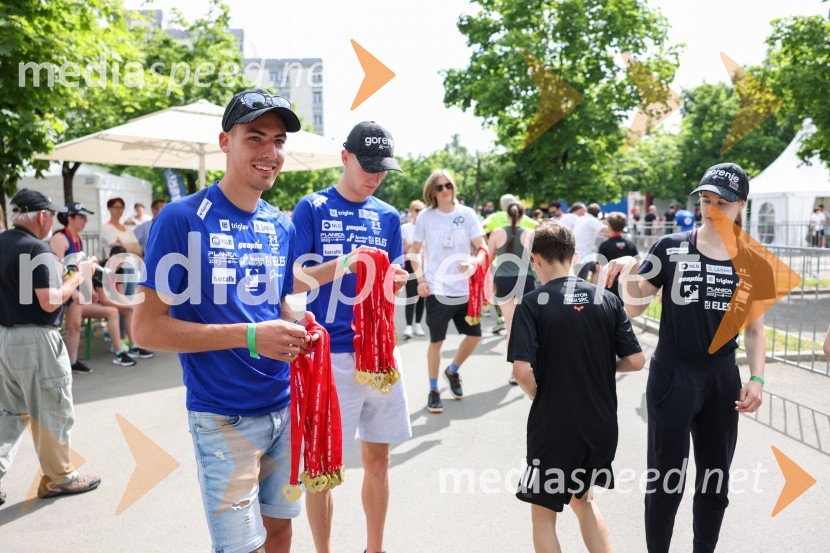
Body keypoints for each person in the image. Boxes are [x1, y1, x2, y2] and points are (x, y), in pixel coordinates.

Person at [132, 89, 317, 553]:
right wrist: (251, 336)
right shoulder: (181, 219)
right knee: (242, 547)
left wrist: (296, 328)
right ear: (224, 142)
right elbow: (146, 328)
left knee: (281, 531)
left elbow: (274, 305)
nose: (269, 153)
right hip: (224, 419)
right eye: (255, 137)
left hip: (285, 408)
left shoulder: (281, 224)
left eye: (277, 141)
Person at [604, 162, 774, 553]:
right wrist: (630, 268)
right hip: (672, 376)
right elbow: (633, 306)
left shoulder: (754, 261)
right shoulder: (671, 246)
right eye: (704, 200)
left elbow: (754, 330)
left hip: (721, 381)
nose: (710, 208)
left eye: (720, 203)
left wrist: (758, 379)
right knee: (666, 482)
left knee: (715, 482)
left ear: (740, 206)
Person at [291, 121, 410, 553]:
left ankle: (373, 548)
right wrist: (349, 261)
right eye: (368, 166)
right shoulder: (312, 207)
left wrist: (395, 280)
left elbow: (391, 278)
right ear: (345, 157)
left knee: (379, 459)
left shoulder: (388, 215)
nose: (375, 176)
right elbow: (296, 280)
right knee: (323, 465)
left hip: (378, 355)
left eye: (383, 169)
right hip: (332, 355)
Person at [508, 220, 644, 553]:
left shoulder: (532, 303)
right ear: (575, 256)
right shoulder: (607, 300)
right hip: (599, 424)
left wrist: (544, 397)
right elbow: (636, 360)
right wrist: (596, 368)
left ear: (536, 259)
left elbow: (522, 371)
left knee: (543, 514)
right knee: (582, 502)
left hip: (555, 425)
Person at [0, 189, 102, 507]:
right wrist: (78, 276)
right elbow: (50, 300)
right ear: (42, 215)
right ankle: (61, 477)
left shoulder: (3, 242)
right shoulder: (36, 248)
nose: (53, 221)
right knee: (53, 409)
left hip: (5, 337)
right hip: (36, 340)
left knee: (10, 413)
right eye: (52, 215)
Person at [410, 169, 487, 414]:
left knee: (475, 336)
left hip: (465, 289)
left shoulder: (467, 214)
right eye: (439, 187)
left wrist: (474, 263)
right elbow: (414, 252)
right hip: (437, 288)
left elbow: (483, 247)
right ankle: (433, 390)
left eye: (448, 186)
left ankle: (451, 371)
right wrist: (421, 280)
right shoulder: (425, 217)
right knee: (437, 341)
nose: (445, 190)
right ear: (432, 191)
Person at [49, 202, 136, 371]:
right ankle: (70, 363)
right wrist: (74, 292)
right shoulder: (59, 238)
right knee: (73, 326)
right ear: (70, 218)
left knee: (79, 325)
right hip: (67, 293)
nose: (85, 221)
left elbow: (84, 266)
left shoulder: (78, 238)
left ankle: (73, 362)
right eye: (82, 217)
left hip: (80, 293)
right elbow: (56, 269)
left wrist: (89, 288)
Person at [488, 201, 535, 385]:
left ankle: (515, 372)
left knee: (510, 327)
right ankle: (529, 366)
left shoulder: (497, 233)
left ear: (507, 215)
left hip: (504, 280)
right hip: (526, 280)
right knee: (529, 326)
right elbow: (537, 260)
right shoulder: (529, 234)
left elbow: (488, 258)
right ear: (522, 215)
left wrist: (491, 281)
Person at [597, 212, 639, 301]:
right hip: (626, 285)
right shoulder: (630, 244)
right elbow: (637, 265)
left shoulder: (604, 245)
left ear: (609, 227)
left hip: (609, 286)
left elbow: (600, 268)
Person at [401, 199, 426, 339]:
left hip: (424, 263)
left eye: (421, 210)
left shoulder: (427, 227)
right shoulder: (405, 228)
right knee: (411, 295)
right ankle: (408, 326)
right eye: (416, 210)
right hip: (410, 262)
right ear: (411, 212)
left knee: (422, 295)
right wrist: (411, 245)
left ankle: (418, 324)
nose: (419, 213)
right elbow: (401, 248)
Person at [573, 203, 607, 284]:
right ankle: (591, 293)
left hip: (575, 254)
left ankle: (593, 291)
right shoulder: (592, 220)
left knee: (596, 268)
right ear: (598, 214)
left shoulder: (581, 219)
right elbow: (607, 230)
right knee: (580, 283)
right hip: (582, 257)